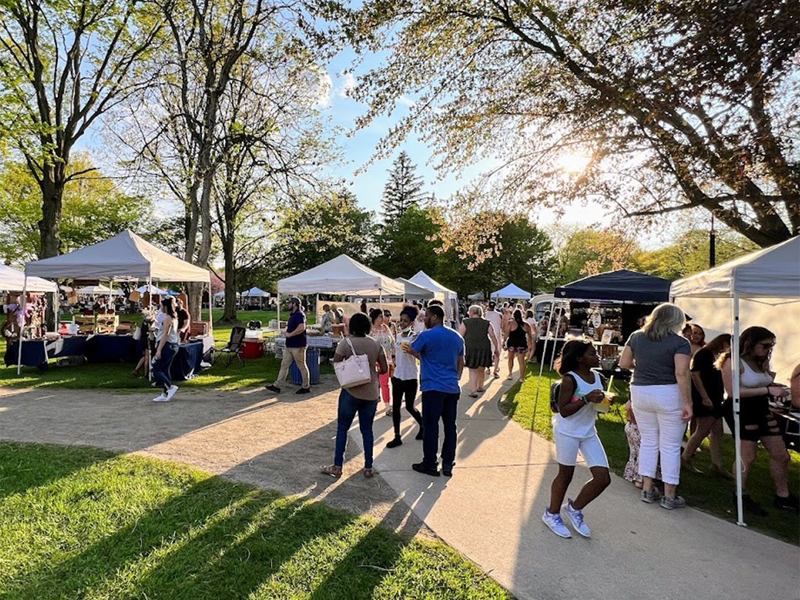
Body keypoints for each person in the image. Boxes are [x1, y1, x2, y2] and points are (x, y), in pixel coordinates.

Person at [619, 303, 692, 510]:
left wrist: (641, 366)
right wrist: (688, 402)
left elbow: (624, 363)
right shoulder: (680, 343)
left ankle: (647, 489)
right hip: (668, 392)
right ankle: (670, 495)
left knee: (649, 441)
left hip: (640, 391)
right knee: (670, 445)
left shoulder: (636, 336)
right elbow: (681, 373)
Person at [719, 326, 797, 514]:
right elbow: (732, 392)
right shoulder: (732, 360)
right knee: (748, 455)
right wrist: (768, 390)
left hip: (761, 407)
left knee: (781, 454)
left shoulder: (759, 360)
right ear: (750, 343)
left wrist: (773, 386)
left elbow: (761, 382)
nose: (768, 349)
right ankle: (740, 494)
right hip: (741, 408)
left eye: (771, 346)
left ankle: (783, 495)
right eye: (765, 345)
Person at [542, 340, 612, 538]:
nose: (597, 356)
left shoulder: (599, 377)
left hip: (588, 432)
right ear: (580, 359)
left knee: (603, 478)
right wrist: (586, 398)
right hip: (567, 432)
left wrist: (605, 402)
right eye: (592, 353)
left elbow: (598, 408)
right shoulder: (569, 380)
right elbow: (563, 411)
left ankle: (574, 508)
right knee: (566, 475)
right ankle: (552, 513)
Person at [321, 312, 388, 479]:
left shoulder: (346, 343)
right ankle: (368, 466)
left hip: (351, 391)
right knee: (367, 430)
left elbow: (336, 362)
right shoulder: (375, 344)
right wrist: (372, 371)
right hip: (370, 392)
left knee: (343, 428)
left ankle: (337, 466)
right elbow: (385, 369)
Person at [403, 304, 464, 477]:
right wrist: (456, 378)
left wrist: (410, 350)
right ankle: (447, 463)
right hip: (452, 387)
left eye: (427, 316)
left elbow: (413, 350)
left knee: (431, 426)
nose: (424, 319)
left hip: (432, 387)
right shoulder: (457, 337)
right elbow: (461, 361)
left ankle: (430, 463)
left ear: (435, 317)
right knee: (450, 426)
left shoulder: (426, 335)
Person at [682, 334, 733, 477]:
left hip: (715, 396)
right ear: (723, 343)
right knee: (702, 430)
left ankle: (717, 464)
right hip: (704, 396)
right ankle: (685, 457)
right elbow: (695, 375)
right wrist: (705, 397)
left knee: (718, 431)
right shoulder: (704, 354)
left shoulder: (720, 357)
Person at [386, 306, 424, 448]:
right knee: (396, 407)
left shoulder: (415, 337)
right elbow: (396, 353)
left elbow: (421, 357)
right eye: (400, 320)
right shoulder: (398, 336)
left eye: (405, 321)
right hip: (397, 376)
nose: (402, 323)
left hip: (410, 376)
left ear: (412, 322)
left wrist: (412, 351)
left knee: (409, 406)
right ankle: (397, 436)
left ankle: (422, 425)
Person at [265, 297, 311, 395]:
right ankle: (277, 385)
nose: (288, 305)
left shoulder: (299, 314)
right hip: (290, 345)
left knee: (302, 366)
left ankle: (306, 386)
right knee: (284, 365)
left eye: (289, 303)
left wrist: (290, 334)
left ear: (294, 304)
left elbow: (301, 327)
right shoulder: (293, 315)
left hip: (298, 345)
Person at [459, 304, 498, 397]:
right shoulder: (487, 323)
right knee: (481, 367)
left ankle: (473, 390)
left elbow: (460, 335)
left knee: (472, 369)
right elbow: (492, 335)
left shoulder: (466, 322)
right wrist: (496, 347)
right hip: (484, 346)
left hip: (470, 346)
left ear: (471, 312)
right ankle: (480, 386)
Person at [151, 297, 180, 403]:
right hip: (173, 345)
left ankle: (170, 387)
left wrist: (159, 350)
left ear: (166, 307)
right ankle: (165, 393)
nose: (161, 308)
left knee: (155, 368)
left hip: (167, 345)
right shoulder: (174, 317)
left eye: (162, 306)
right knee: (165, 369)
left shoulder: (168, 318)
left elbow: (165, 335)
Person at [370, 308, 395, 416]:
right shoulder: (370, 330)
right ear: (375, 318)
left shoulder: (385, 328)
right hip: (374, 360)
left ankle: (387, 406)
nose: (383, 318)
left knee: (385, 384)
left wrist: (394, 357)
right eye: (381, 316)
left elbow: (392, 342)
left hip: (386, 360)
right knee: (374, 384)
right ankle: (372, 405)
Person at [503, 309, 533, 382]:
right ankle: (522, 377)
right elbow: (530, 336)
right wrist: (530, 345)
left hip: (512, 343)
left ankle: (510, 374)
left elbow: (506, 333)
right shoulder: (526, 325)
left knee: (510, 359)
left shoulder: (510, 323)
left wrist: (503, 341)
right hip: (522, 344)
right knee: (521, 361)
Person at [484, 301, 503, 377]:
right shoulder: (499, 315)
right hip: (496, 335)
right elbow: (501, 325)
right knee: (496, 353)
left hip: (488, 335)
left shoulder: (485, 314)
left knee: (488, 352)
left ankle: (488, 368)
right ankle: (495, 370)